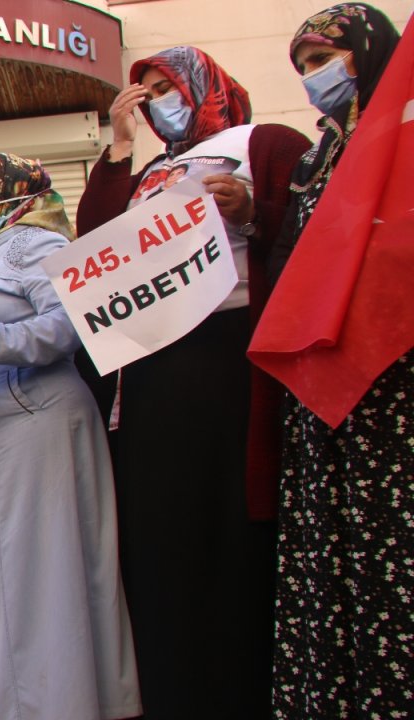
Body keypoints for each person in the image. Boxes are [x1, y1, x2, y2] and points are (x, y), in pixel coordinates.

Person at [74, 45, 310, 719]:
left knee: (229, 527)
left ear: (206, 86)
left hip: (228, 361)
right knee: (159, 533)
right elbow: (96, 245)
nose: (155, 102)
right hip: (152, 369)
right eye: (143, 94)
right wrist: (118, 148)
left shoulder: (263, 143)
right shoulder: (147, 171)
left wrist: (252, 215)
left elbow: (308, 235)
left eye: (166, 87)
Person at [0, 153, 140, 720]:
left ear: (13, 194)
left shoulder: (39, 245)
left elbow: (75, 319)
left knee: (35, 588)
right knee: (0, 588)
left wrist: (4, 337)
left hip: (32, 424)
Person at [266, 6, 409, 718]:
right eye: (302, 67)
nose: (311, 77)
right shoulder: (314, 159)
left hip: (394, 386)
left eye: (322, 58)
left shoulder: (402, 139)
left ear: (367, 51)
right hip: (320, 386)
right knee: (331, 544)